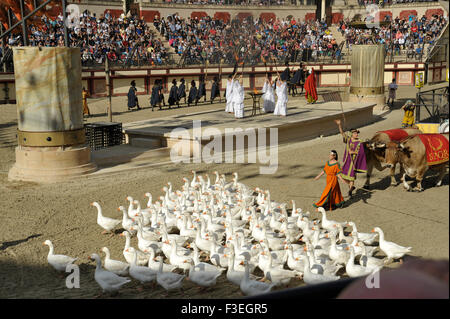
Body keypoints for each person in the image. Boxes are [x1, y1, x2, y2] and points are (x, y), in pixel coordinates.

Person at [335, 119, 367, 198]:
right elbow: (342, 133)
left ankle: (350, 191)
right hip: (347, 161)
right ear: (351, 134)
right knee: (342, 176)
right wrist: (339, 125)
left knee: (352, 178)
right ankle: (351, 186)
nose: (356, 134)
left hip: (354, 162)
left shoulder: (359, 142)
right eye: (355, 133)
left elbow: (361, 153)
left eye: (357, 133)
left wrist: (353, 152)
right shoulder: (348, 140)